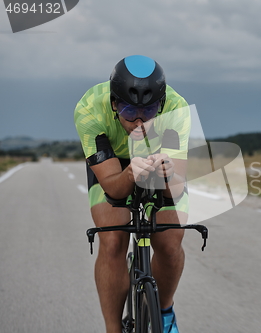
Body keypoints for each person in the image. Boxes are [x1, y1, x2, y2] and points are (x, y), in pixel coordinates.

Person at [74, 55, 190, 333]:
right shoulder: (90, 108)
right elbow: (113, 189)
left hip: (157, 160)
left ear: (160, 106)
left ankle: (164, 312)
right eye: (128, 112)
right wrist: (128, 175)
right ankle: (113, 329)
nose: (138, 121)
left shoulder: (177, 108)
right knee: (112, 240)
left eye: (148, 113)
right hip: (113, 165)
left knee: (171, 240)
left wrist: (166, 176)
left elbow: (174, 188)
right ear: (114, 104)